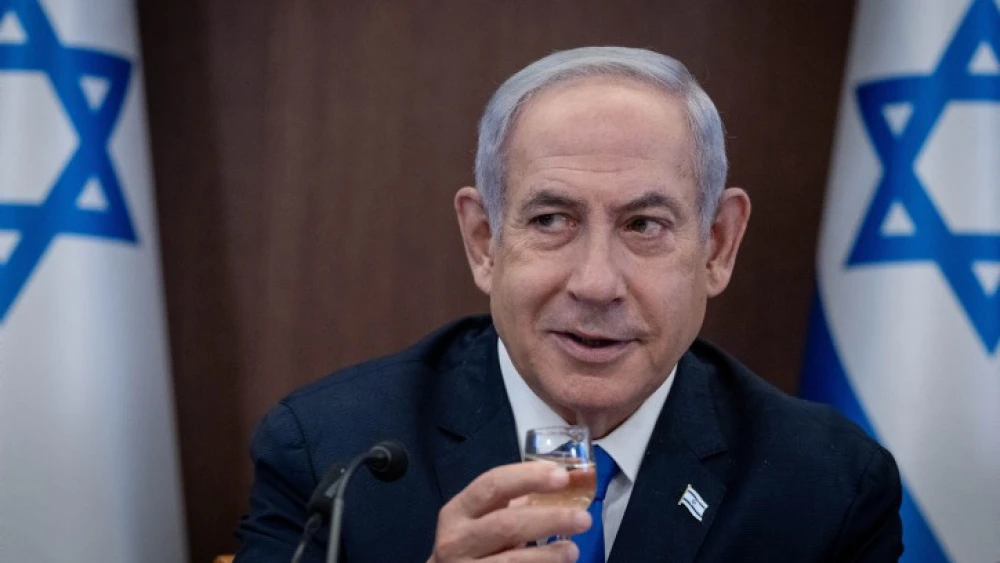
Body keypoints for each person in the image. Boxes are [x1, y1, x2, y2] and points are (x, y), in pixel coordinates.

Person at [235, 46, 903, 563]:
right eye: (552, 219)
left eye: (644, 225)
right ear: (484, 241)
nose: (595, 282)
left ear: (717, 246)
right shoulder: (333, 459)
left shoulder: (825, 486)